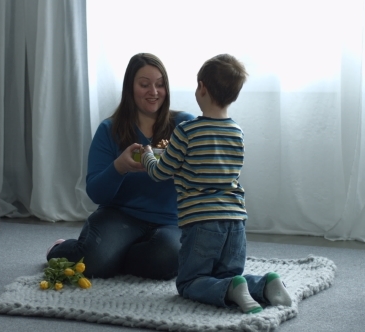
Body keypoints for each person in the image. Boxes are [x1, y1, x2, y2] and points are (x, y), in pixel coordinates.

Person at [140, 54, 292, 313]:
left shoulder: (186, 131)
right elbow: (218, 167)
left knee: (189, 282)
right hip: (235, 220)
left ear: (202, 88)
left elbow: (160, 172)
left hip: (202, 222)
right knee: (230, 275)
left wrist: (147, 157)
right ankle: (266, 285)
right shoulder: (236, 131)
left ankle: (232, 290)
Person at [46, 53, 195, 280]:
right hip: (119, 216)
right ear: (130, 88)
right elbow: (96, 192)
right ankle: (63, 248)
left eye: (160, 85)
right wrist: (119, 167)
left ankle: (114, 256)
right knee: (93, 264)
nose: (154, 92)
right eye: (144, 85)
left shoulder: (184, 124)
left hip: (170, 220)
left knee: (167, 260)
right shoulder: (109, 130)